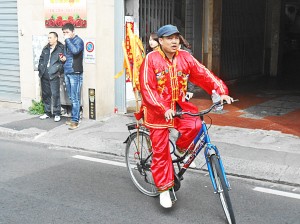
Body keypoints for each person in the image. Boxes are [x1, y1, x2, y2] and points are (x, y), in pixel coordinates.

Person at [138, 24, 233, 208]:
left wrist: (221, 91)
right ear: (160, 41)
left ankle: (182, 149)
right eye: (169, 38)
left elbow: (204, 74)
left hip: (179, 105)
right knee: (161, 151)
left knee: (196, 124)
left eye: (176, 37)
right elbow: (147, 88)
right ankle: (164, 189)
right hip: (157, 110)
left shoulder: (185, 57)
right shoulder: (151, 59)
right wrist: (162, 108)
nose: (174, 41)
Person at [60, 23, 84, 130]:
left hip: (75, 72)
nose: (65, 35)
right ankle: (74, 117)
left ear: (73, 31)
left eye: (67, 32)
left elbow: (75, 51)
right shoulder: (67, 42)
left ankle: (75, 120)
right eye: (64, 33)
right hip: (67, 71)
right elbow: (68, 55)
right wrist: (63, 59)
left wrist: (68, 40)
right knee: (70, 96)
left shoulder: (79, 41)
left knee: (75, 97)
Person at [38, 32, 64, 122]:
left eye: (50, 37)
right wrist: (40, 68)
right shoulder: (45, 48)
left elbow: (62, 62)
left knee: (55, 94)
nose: (49, 39)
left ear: (56, 38)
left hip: (54, 74)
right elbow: (41, 59)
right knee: (46, 94)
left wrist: (58, 71)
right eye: (48, 37)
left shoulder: (60, 48)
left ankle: (57, 113)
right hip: (44, 74)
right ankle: (47, 112)